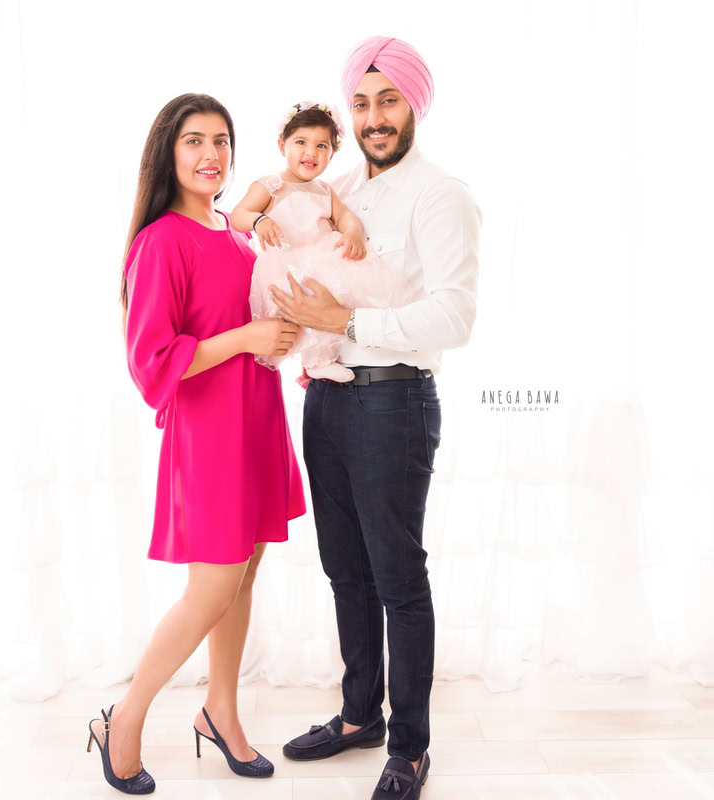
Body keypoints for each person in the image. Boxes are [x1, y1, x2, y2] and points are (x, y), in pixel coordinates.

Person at [271, 37, 482, 800]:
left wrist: (348, 325)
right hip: (325, 396)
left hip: (392, 399)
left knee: (397, 576)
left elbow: (454, 314)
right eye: (360, 103)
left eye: (387, 99)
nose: (372, 117)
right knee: (344, 567)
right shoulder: (340, 192)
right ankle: (359, 713)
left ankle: (411, 745)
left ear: (414, 103)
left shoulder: (440, 195)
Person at [85, 93, 307, 795]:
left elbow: (249, 317)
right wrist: (246, 338)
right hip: (210, 432)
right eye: (194, 142)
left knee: (242, 577)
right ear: (167, 154)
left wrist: (281, 332)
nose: (212, 156)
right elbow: (151, 359)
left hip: (256, 417)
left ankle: (221, 710)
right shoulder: (161, 240)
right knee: (212, 585)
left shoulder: (234, 232)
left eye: (221, 141)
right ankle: (123, 716)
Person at [231, 101, 413, 386]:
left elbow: (345, 217)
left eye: (322, 146)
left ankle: (324, 357)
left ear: (332, 152)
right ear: (282, 146)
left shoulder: (325, 189)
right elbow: (238, 216)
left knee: (338, 300)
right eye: (301, 142)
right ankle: (315, 362)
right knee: (298, 311)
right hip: (286, 262)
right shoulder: (270, 185)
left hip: (320, 259)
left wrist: (352, 233)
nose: (310, 152)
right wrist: (259, 221)